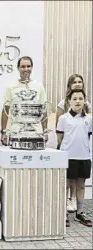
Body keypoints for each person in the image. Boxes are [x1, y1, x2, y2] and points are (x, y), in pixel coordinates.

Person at [56, 74, 91, 213]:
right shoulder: (63, 116)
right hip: (68, 155)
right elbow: (60, 135)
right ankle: (64, 212)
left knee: (81, 184)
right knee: (67, 182)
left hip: (84, 156)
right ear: (69, 101)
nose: (78, 101)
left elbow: (88, 134)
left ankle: (79, 212)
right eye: (75, 99)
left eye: (81, 99)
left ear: (84, 101)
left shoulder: (89, 117)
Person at [1, 56, 47, 144]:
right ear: (18, 68)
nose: (26, 69)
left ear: (32, 67)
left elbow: (44, 109)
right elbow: (5, 109)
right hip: (16, 131)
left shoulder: (39, 86)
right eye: (23, 66)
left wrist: (45, 131)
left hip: (36, 131)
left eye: (28, 66)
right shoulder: (10, 87)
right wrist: (3, 132)